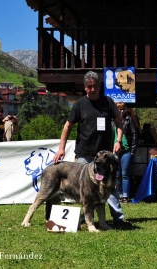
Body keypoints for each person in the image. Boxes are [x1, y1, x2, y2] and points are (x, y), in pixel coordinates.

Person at [52, 71, 130, 229]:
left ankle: (118, 218)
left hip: (105, 156)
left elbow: (119, 123)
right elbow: (68, 126)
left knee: (109, 185)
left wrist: (118, 140)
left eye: (95, 86)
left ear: (99, 86)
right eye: (89, 87)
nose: (92, 89)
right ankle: (85, 219)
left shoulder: (108, 102)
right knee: (85, 190)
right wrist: (61, 148)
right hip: (85, 155)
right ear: (85, 88)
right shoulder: (79, 104)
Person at [116, 102, 139, 204]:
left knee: (125, 174)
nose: (120, 111)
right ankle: (119, 195)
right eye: (118, 109)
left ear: (125, 110)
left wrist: (133, 150)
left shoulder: (129, 119)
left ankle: (125, 196)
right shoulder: (113, 120)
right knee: (117, 174)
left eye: (122, 109)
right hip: (115, 150)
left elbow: (135, 134)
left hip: (127, 150)